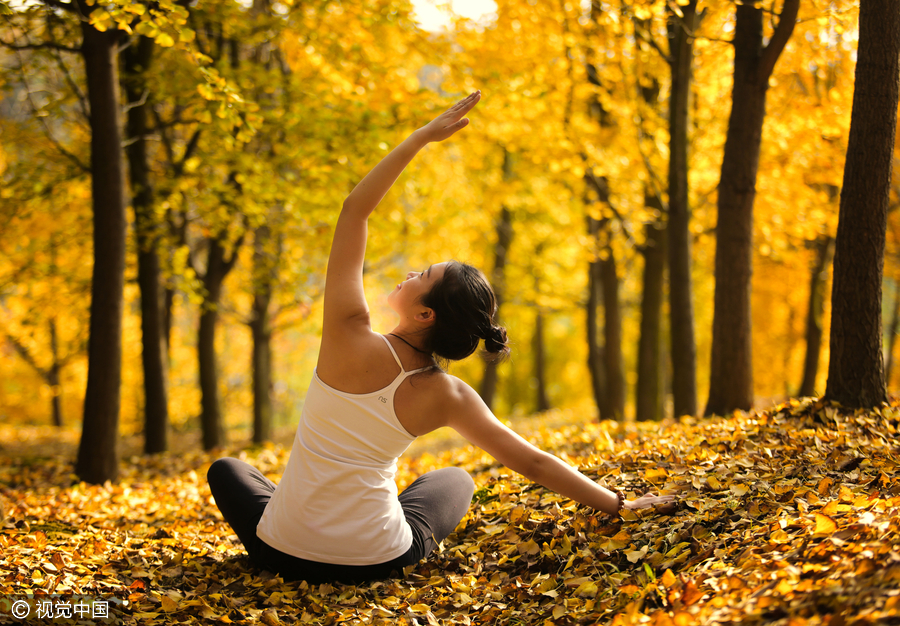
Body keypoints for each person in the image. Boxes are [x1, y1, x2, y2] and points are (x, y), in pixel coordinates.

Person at [207, 90, 675, 584]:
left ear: (425, 313)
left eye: (421, 273)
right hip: (376, 560)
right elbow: (533, 462)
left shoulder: (346, 333)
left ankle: (304, 521)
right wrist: (622, 505)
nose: (408, 272)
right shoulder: (448, 394)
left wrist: (421, 138)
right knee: (454, 481)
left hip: (282, 552)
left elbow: (354, 212)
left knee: (227, 469)